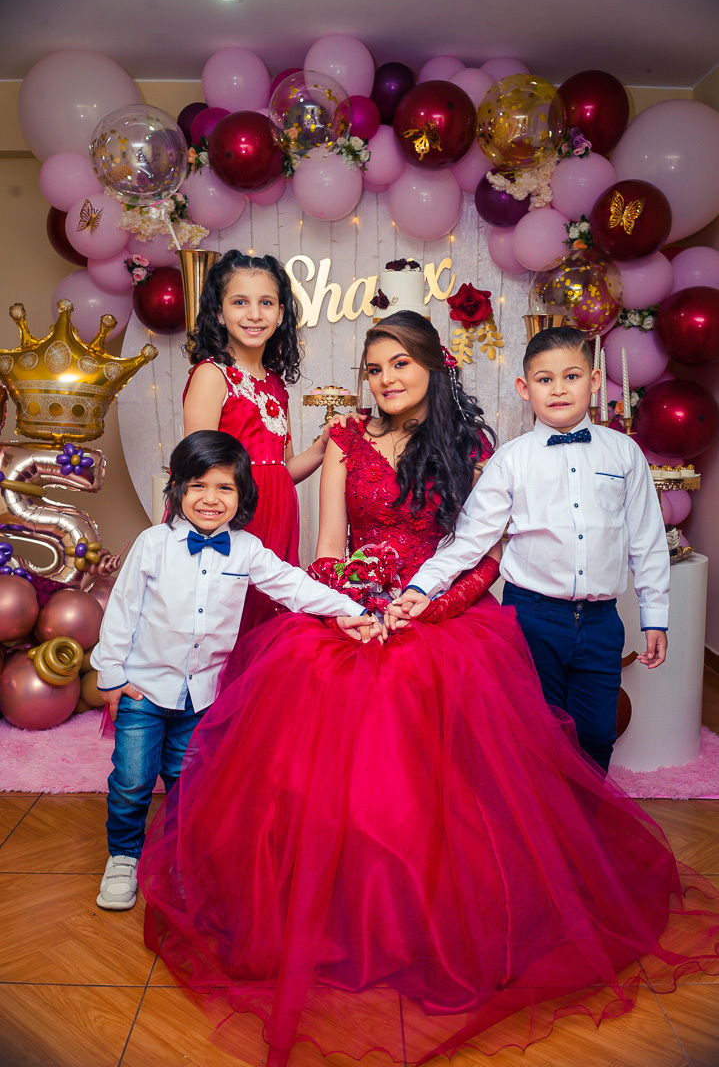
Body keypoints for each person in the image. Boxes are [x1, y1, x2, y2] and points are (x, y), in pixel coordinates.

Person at [139, 314, 718, 1066]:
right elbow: (327, 549)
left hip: (441, 614)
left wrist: (421, 606)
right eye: (373, 366)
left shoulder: (473, 447)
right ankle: (342, 915)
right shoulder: (345, 439)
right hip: (356, 609)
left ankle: (462, 913)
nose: (384, 378)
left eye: (399, 363)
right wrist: (351, 605)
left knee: (468, 771)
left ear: (431, 368)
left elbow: (478, 552)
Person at [91, 430, 381, 912]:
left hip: (201, 694)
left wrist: (345, 607)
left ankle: (176, 856)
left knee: (189, 780)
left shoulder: (246, 549)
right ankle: (123, 856)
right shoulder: (153, 543)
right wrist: (113, 676)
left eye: (225, 488)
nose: (210, 499)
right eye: (198, 486)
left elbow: (292, 586)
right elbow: (123, 609)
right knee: (132, 779)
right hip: (143, 687)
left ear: (243, 495)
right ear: (177, 489)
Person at [394, 324, 669, 771]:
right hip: (532, 617)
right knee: (540, 732)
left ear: (594, 381)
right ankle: (548, 836)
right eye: (545, 379)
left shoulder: (624, 453)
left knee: (598, 733)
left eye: (572, 376)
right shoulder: (512, 460)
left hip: (601, 621)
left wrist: (656, 615)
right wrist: (424, 586)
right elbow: (471, 540)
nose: (558, 389)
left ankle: (587, 828)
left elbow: (647, 539)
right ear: (525, 388)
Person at [183, 250, 343, 634]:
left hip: (278, 517)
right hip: (231, 518)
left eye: (266, 303)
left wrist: (323, 446)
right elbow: (194, 467)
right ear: (219, 312)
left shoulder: (274, 383)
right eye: (240, 302)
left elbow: (282, 469)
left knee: (266, 620)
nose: (254, 314)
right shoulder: (212, 375)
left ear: (282, 313)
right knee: (221, 620)